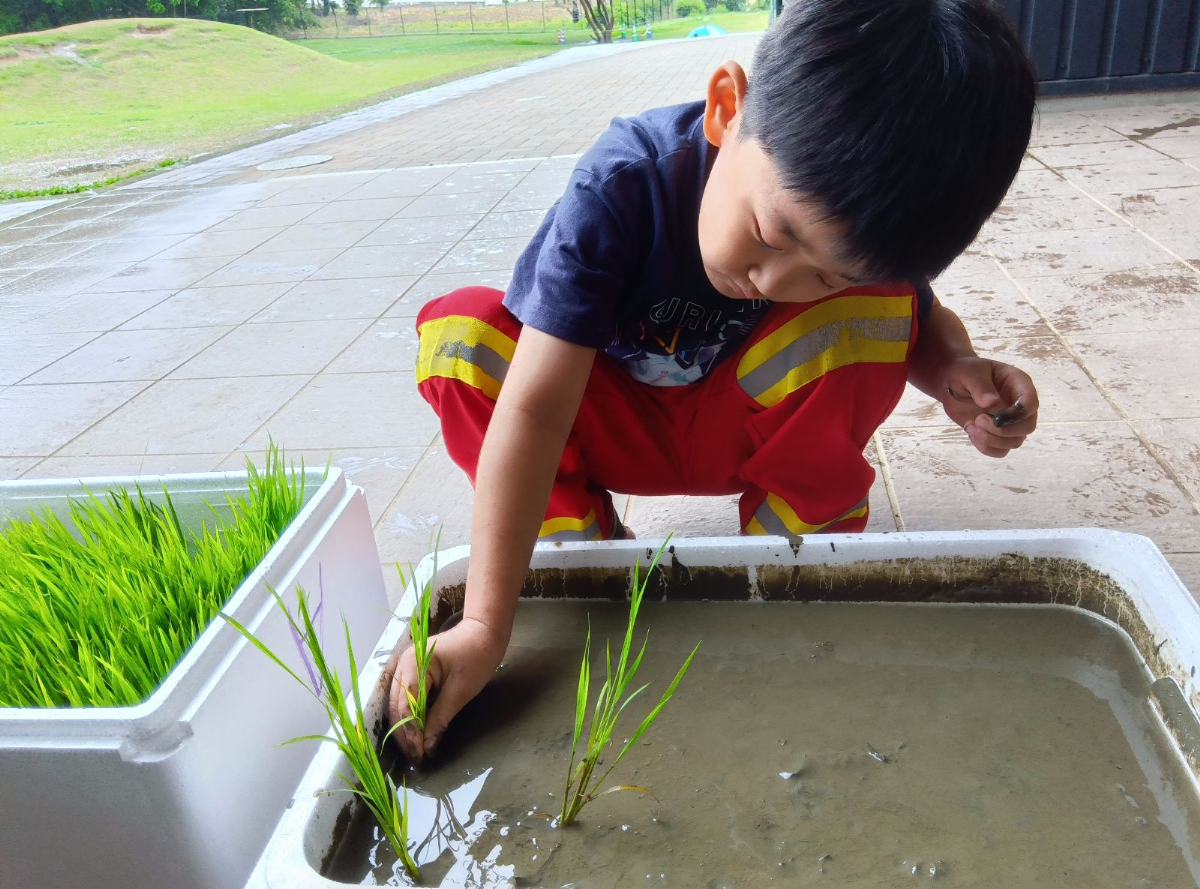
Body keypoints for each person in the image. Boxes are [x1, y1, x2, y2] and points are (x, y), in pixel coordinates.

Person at [386, 0, 1039, 759]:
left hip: (745, 425)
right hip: (606, 425)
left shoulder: (848, 261)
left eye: (826, 274)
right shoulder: (622, 186)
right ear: (729, 108)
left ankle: (789, 562)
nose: (773, 277)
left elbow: (919, 315)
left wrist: (954, 367)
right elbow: (532, 409)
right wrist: (484, 624)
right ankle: (582, 560)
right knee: (460, 340)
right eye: (772, 232)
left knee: (876, 313)